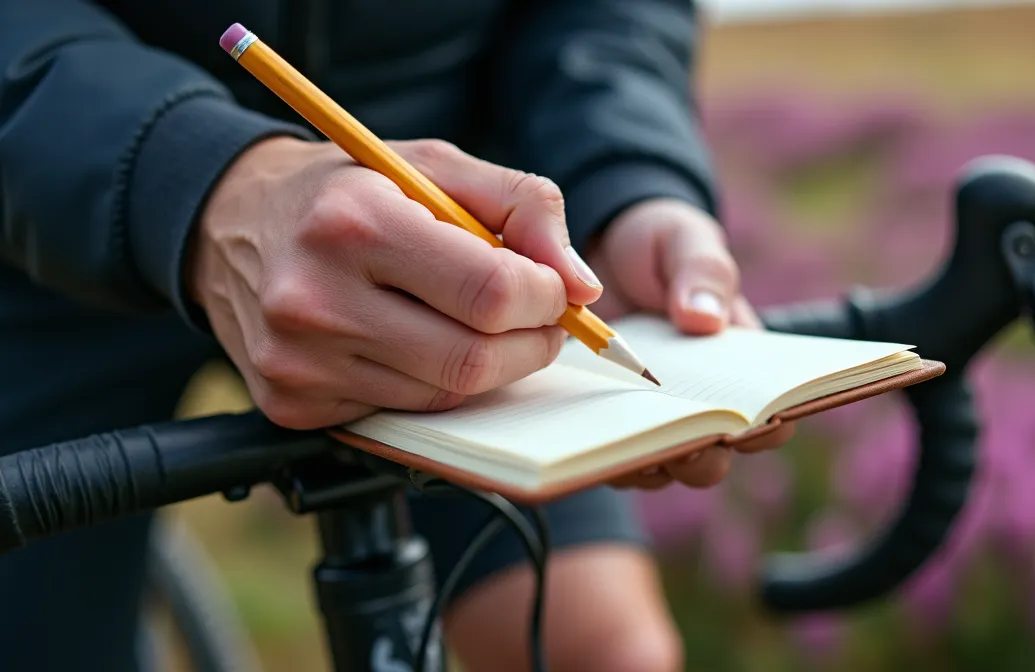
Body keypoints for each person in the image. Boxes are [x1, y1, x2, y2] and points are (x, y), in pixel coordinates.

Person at [0, 2, 796, 671]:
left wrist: (626, 179)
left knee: (601, 647)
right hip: (48, 219)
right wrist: (181, 174)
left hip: (461, 244)